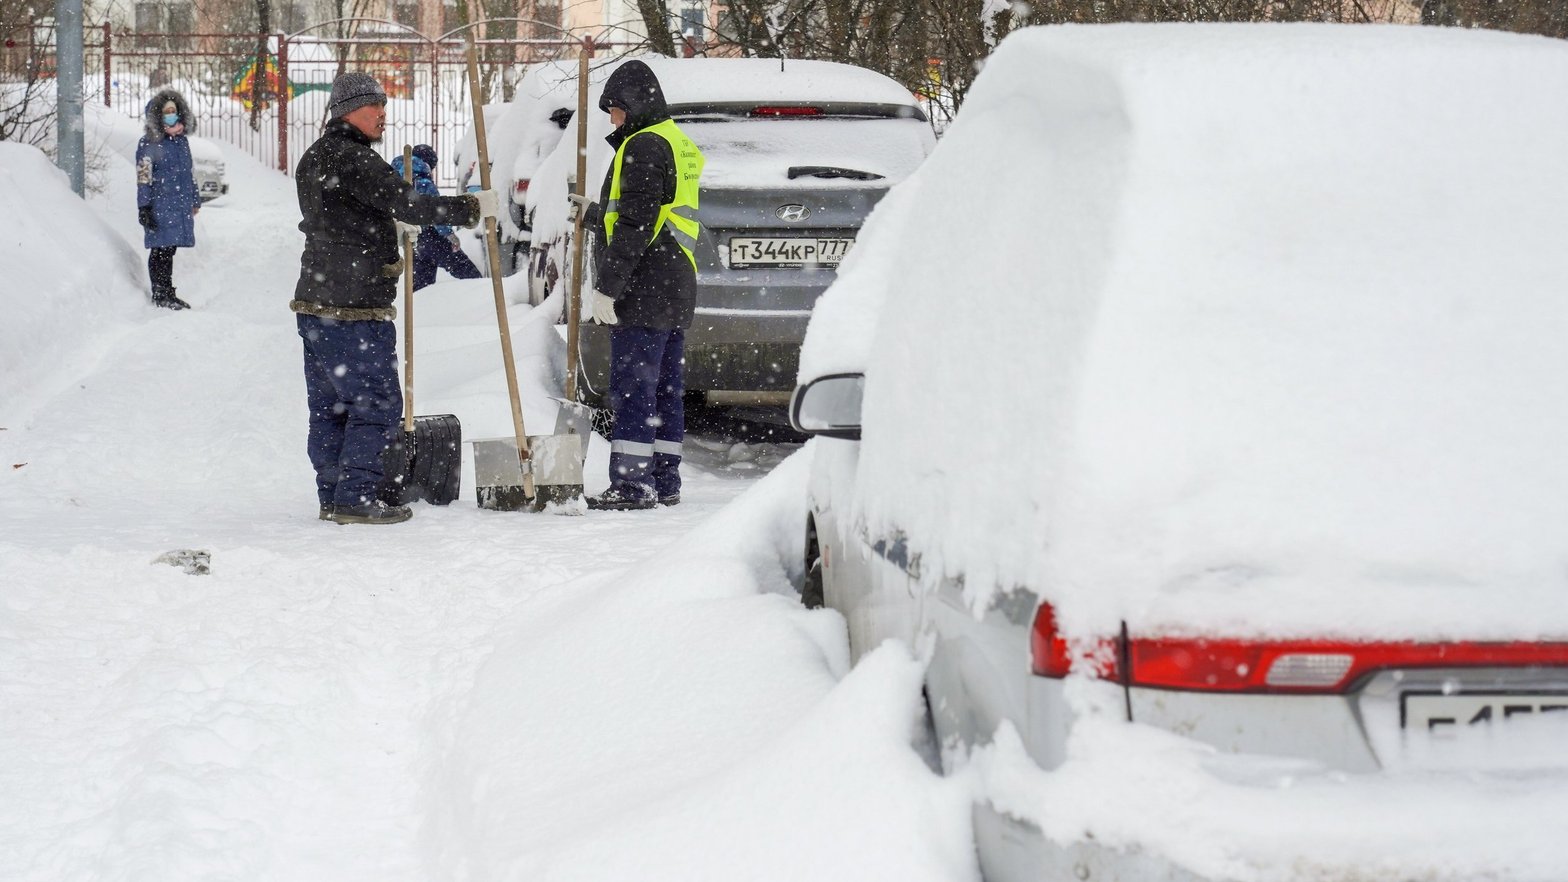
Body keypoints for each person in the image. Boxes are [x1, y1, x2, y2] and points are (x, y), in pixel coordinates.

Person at [292, 72, 501, 525]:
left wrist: (385, 227)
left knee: (330, 407)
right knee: (376, 405)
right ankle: (357, 499)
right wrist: (471, 208)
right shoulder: (356, 159)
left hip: (314, 304)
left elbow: (351, 217)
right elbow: (411, 204)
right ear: (351, 111)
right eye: (376, 107)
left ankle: (332, 494)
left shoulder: (313, 158)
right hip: (355, 307)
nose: (383, 115)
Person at [574, 60, 705, 511]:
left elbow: (636, 223)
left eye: (614, 109)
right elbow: (655, 214)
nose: (612, 119)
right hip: (675, 281)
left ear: (632, 105)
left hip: (644, 285)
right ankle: (665, 481)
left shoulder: (643, 145)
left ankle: (631, 486)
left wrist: (608, 287)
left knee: (634, 388)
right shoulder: (676, 141)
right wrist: (593, 214)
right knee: (665, 388)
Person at [136, 89, 200, 310]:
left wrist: (195, 200)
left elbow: (188, 172)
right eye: (166, 112)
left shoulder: (181, 141)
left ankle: (167, 292)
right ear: (158, 115)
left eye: (174, 110)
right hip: (160, 205)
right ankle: (160, 293)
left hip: (179, 204)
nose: (171, 114)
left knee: (169, 249)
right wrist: (144, 207)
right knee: (159, 249)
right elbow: (143, 177)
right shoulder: (149, 143)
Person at [390, 144, 482, 291]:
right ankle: (482, 293)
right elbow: (437, 212)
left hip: (412, 237)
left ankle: (423, 307)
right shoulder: (423, 182)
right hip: (431, 236)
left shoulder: (396, 179)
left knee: (421, 283)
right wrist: (449, 234)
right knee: (467, 271)